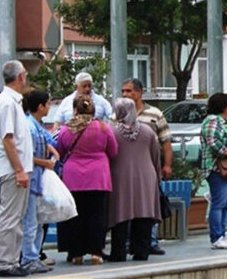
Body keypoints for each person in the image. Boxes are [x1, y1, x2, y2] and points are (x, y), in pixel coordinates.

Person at [56, 94, 118, 265]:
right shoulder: (104, 128)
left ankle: (76, 253)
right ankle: (96, 252)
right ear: (93, 109)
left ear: (75, 110)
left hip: (73, 177)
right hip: (99, 176)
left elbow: (60, 152)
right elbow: (113, 151)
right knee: (97, 215)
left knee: (75, 216)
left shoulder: (66, 129)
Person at [0, 60, 34, 277]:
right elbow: (8, 139)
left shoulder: (12, 101)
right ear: (20, 77)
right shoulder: (7, 103)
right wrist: (19, 169)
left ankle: (12, 259)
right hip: (13, 169)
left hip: (17, 168)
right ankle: (5, 262)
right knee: (10, 215)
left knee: (16, 216)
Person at [121, 78, 172, 256]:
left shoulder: (155, 114)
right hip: (126, 170)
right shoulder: (118, 115)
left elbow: (165, 141)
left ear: (140, 92)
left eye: (129, 91)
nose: (125, 95)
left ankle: (151, 241)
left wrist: (167, 165)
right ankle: (129, 242)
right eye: (123, 91)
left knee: (150, 204)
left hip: (150, 167)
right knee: (128, 205)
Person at [108, 98, 161, 262]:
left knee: (120, 215)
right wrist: (157, 176)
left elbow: (108, 155)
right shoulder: (147, 131)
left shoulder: (112, 132)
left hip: (120, 177)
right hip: (146, 176)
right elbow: (155, 155)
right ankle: (141, 251)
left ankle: (118, 252)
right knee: (143, 214)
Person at [20, 90, 59, 274]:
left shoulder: (37, 126)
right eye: (48, 104)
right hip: (32, 178)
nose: (49, 107)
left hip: (37, 179)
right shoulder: (29, 127)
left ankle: (33, 257)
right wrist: (46, 162)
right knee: (30, 222)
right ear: (40, 106)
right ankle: (28, 258)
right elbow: (27, 156)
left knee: (36, 221)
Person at [200, 93, 227, 250]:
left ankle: (222, 234)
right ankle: (216, 236)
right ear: (223, 106)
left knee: (225, 203)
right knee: (218, 203)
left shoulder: (223, 122)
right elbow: (213, 142)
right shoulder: (213, 121)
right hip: (217, 168)